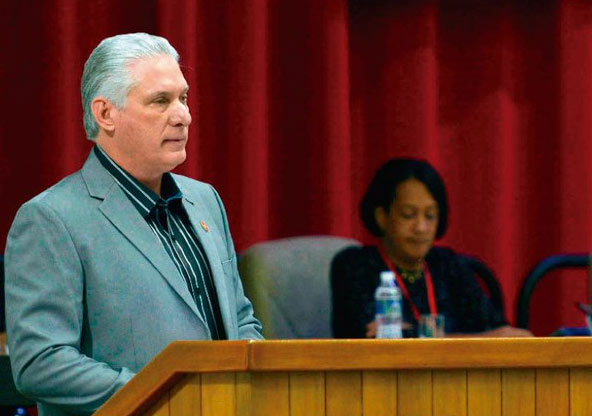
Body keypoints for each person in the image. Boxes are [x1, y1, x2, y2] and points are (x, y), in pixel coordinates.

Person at [5, 33, 263, 416]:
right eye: (160, 101)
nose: (183, 115)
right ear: (106, 114)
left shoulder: (205, 200)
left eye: (183, 98)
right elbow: (40, 362)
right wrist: (166, 398)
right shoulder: (51, 219)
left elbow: (240, 320)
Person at [331, 158, 532, 338]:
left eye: (430, 216)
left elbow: (501, 333)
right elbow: (367, 337)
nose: (421, 227)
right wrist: (471, 340)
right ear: (382, 217)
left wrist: (413, 333)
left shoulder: (448, 265)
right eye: (408, 215)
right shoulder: (354, 265)